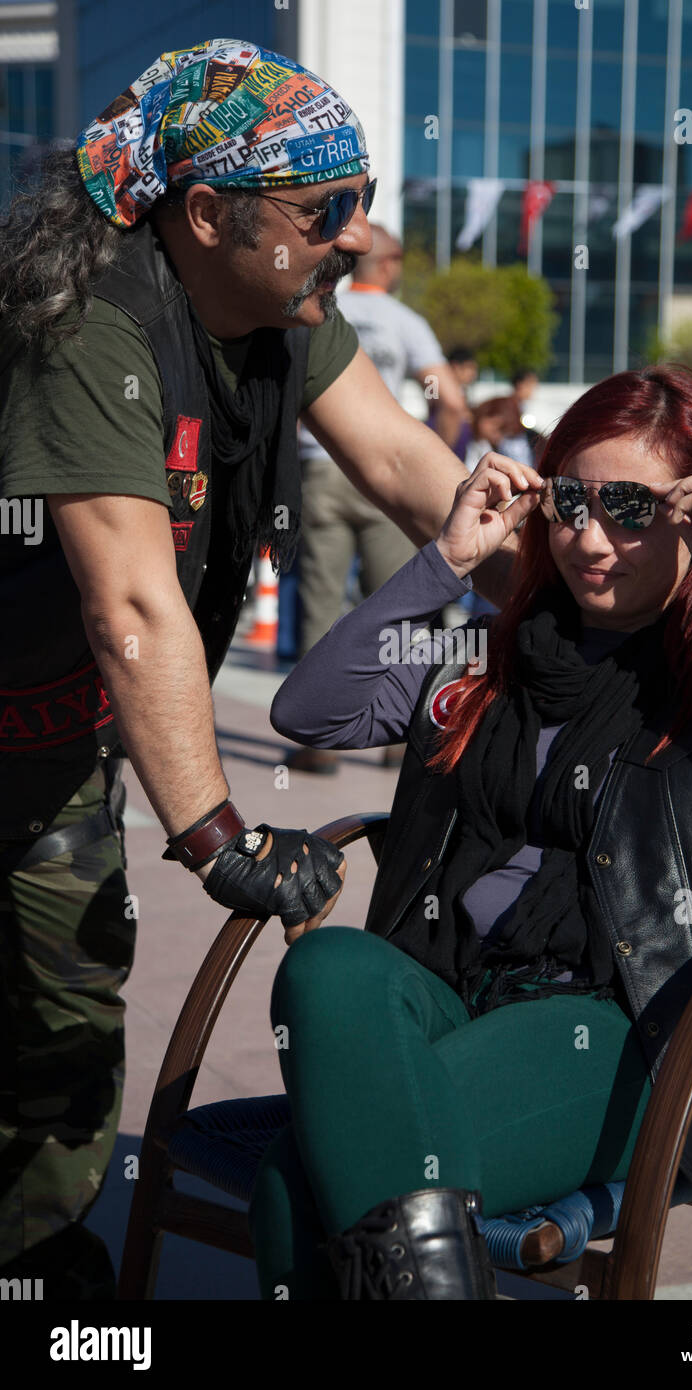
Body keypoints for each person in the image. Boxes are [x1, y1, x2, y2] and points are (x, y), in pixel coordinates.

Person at [0, 38, 515, 1299]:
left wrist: (564, 599)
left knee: (63, 1007)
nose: (352, 235)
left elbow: (404, 468)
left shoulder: (288, 314)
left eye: (364, 204)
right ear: (208, 212)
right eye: (323, 210)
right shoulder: (91, 327)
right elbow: (130, 602)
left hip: (50, 736)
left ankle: (37, 1262)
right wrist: (214, 829)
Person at [251, 364, 692, 1299]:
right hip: (452, 994)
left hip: (630, 1031)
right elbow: (311, 711)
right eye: (569, 500)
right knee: (329, 967)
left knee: (294, 1187)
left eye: (629, 507)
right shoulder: (501, 652)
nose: (589, 537)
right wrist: (445, 561)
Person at [290, 224, 466, 773]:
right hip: (390, 470)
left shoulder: (320, 305)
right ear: (388, 266)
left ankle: (317, 744)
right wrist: (438, 446)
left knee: (320, 598)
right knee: (399, 604)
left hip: (319, 466)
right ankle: (397, 735)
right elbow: (452, 400)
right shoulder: (405, 321)